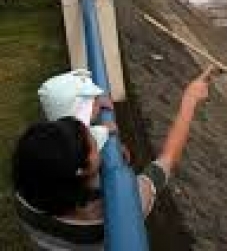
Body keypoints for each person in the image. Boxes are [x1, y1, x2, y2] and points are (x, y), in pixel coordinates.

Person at [12, 66, 214, 250]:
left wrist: (95, 115)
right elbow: (166, 162)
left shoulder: (28, 191)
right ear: (83, 169)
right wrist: (190, 100)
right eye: (95, 142)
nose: (102, 140)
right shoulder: (119, 204)